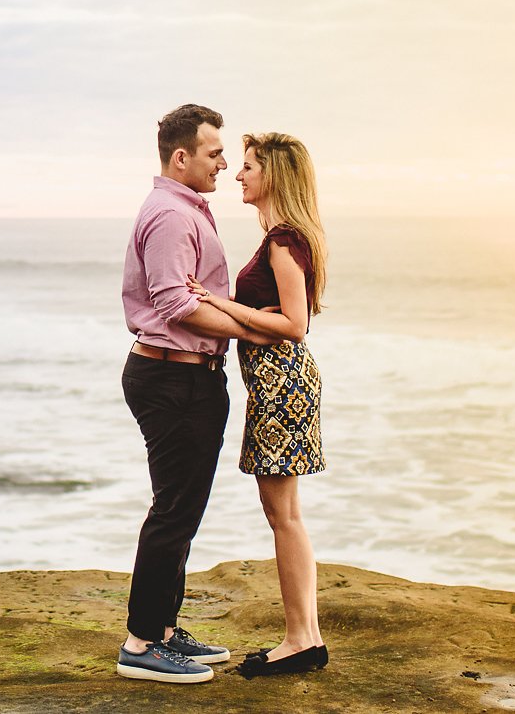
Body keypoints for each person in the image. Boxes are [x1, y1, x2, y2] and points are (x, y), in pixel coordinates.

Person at [116, 104, 276, 684]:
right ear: (180, 157)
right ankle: (140, 642)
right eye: (214, 154)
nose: (224, 164)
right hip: (171, 375)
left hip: (187, 375)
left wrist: (228, 322)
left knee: (183, 506)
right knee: (174, 509)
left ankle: (161, 629)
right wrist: (254, 328)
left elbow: (192, 298)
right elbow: (176, 303)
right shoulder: (169, 215)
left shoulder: (185, 210)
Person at [188, 132, 329, 677]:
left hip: (281, 383)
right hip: (275, 383)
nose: (238, 174)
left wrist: (220, 303)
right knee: (285, 514)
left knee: (284, 515)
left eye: (248, 166)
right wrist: (245, 315)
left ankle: (300, 640)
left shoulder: (283, 240)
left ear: (274, 175)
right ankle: (306, 636)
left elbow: (294, 325)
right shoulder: (282, 237)